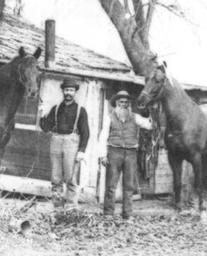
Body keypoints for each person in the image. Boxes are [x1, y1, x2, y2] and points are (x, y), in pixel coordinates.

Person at [98, 90, 153, 220]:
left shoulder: (136, 117)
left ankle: (127, 214)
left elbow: (149, 126)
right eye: (121, 102)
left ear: (130, 104)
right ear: (116, 103)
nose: (124, 105)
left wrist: (152, 113)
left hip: (131, 153)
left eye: (126, 103)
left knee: (129, 185)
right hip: (114, 151)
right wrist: (102, 155)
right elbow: (103, 136)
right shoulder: (109, 117)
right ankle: (108, 213)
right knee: (111, 185)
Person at [39, 78, 90, 211]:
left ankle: (71, 206)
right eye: (66, 90)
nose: (69, 92)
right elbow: (46, 128)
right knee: (56, 176)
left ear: (75, 92)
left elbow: (85, 132)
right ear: (63, 91)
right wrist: (42, 116)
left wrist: (82, 151)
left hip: (72, 143)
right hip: (56, 141)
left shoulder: (80, 110)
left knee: (70, 177)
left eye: (71, 90)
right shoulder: (56, 108)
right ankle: (57, 205)